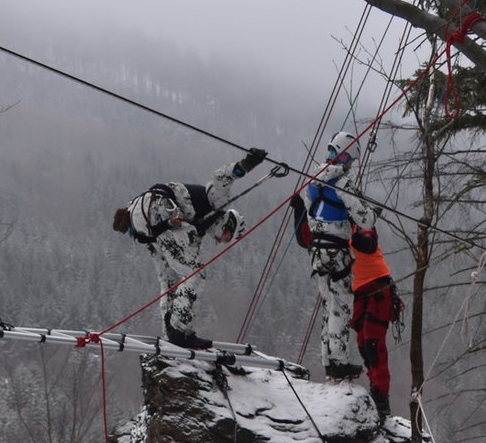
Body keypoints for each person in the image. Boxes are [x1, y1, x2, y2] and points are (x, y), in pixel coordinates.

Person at [112, 148, 268, 349]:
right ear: (230, 224)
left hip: (145, 221)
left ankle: (171, 332)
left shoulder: (196, 231)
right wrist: (247, 164)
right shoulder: (217, 207)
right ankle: (179, 331)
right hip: (159, 209)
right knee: (196, 274)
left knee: (170, 280)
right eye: (228, 237)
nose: (222, 241)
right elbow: (221, 178)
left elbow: (187, 247)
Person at [302, 132, 369, 382]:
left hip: (318, 251)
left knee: (328, 304)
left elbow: (310, 210)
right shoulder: (342, 183)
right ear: (345, 156)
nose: (351, 166)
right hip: (336, 250)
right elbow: (366, 218)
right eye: (350, 161)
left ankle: (328, 360)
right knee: (341, 304)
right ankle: (339, 360)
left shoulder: (312, 180)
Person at [349, 216, 399, 416]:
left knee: (372, 342)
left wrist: (350, 232)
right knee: (363, 342)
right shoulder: (333, 222)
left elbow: (369, 244)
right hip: (360, 289)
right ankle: (376, 389)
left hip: (378, 284)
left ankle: (381, 397)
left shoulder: (361, 221)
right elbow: (307, 238)